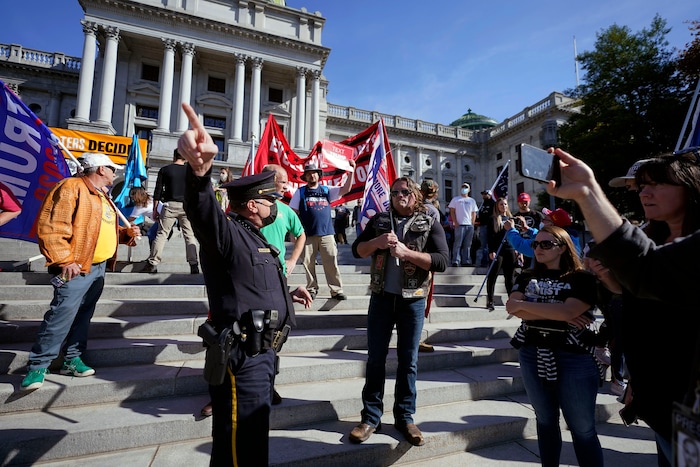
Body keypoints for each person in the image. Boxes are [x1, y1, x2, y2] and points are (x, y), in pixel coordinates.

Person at [546, 146, 700, 467]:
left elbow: (648, 270)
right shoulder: (653, 236)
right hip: (663, 398)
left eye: (656, 183)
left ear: (691, 187)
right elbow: (640, 299)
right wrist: (615, 284)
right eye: (641, 185)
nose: (643, 191)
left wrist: (588, 193)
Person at [177, 102, 312, 466]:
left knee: (250, 441)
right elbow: (203, 212)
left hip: (263, 354)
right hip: (242, 354)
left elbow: (257, 277)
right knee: (240, 444)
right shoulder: (228, 233)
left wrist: (287, 293)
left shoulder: (259, 238)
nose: (277, 204)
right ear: (253, 205)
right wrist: (200, 170)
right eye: (271, 199)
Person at [20, 153, 140, 390]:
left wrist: (126, 235)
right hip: (74, 266)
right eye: (111, 168)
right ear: (100, 169)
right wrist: (65, 260)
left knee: (83, 315)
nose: (114, 173)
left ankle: (72, 358)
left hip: (98, 267)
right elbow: (52, 226)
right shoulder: (70, 187)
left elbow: (100, 226)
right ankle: (38, 366)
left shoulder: (102, 195)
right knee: (61, 315)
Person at [349, 176, 449, 446]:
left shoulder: (429, 221)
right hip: (381, 298)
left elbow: (441, 261)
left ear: (415, 194)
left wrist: (408, 254)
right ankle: (370, 417)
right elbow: (358, 250)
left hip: (412, 300)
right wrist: (377, 242)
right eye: (394, 192)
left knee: (408, 361)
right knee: (375, 359)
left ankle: (405, 417)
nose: (399, 195)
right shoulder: (380, 221)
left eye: (405, 191)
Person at [506, 225, 604, 467]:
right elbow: (510, 306)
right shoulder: (526, 275)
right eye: (535, 244)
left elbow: (569, 311)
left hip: (574, 358)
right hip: (532, 353)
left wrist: (528, 307)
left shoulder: (582, 278)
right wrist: (558, 313)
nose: (538, 248)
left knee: (582, 429)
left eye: (546, 244)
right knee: (546, 422)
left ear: (562, 248)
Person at [290, 161, 355, 300]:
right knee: (308, 264)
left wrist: (351, 172)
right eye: (308, 174)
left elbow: (346, 189)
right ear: (305, 177)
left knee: (331, 262)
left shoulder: (326, 190)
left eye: (314, 173)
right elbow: (293, 213)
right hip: (306, 235)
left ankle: (336, 290)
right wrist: (293, 233)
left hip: (327, 233)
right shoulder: (300, 192)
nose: (311, 176)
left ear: (319, 175)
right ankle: (312, 289)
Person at [142, 149, 200, 274]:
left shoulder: (165, 170)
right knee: (189, 236)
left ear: (174, 156)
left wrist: (155, 209)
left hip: (169, 205)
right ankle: (194, 264)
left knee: (161, 234)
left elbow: (158, 190)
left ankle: (153, 263)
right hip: (186, 206)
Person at [485, 198, 518, 311]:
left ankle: (511, 299)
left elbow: (516, 235)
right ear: (497, 206)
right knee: (493, 275)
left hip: (510, 249)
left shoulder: (511, 219)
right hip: (498, 250)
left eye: (505, 204)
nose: (503, 206)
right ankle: (490, 299)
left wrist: (517, 249)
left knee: (510, 277)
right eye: (501, 204)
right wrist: (491, 250)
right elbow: (490, 236)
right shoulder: (493, 219)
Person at [447, 182, 477, 266]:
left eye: (466, 187)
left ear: (469, 189)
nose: (464, 188)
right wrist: (455, 222)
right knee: (457, 244)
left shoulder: (472, 200)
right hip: (459, 225)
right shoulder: (456, 199)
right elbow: (452, 211)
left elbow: (474, 212)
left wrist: (472, 223)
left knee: (467, 245)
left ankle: (466, 261)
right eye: (463, 187)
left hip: (469, 225)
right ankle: (455, 260)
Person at [476, 190, 495, 267]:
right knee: (483, 244)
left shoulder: (493, 204)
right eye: (483, 194)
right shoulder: (483, 204)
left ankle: (487, 260)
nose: (483, 196)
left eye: (485, 194)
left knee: (487, 245)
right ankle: (484, 260)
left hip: (489, 226)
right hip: (482, 225)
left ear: (489, 195)